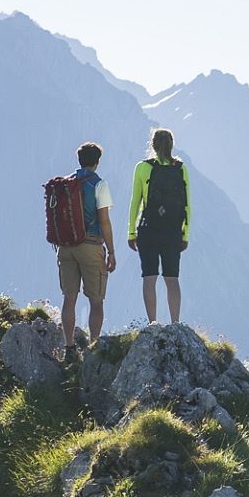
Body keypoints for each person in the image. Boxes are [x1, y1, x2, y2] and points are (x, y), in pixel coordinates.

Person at [128, 128, 191, 324]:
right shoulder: (180, 168)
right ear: (172, 145)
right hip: (172, 231)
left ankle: (152, 323)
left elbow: (135, 202)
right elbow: (187, 204)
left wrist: (132, 232)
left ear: (153, 145)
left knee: (150, 277)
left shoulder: (142, 167)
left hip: (148, 229)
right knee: (172, 279)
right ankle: (175, 323)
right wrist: (185, 235)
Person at [57, 141, 116, 348]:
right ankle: (94, 347)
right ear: (97, 162)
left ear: (79, 160)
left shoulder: (66, 184)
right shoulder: (99, 185)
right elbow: (105, 222)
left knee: (69, 298)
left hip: (65, 247)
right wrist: (111, 252)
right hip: (90, 246)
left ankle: (69, 347)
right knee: (96, 300)